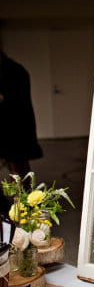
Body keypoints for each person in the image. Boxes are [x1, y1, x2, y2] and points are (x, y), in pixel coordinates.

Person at [0, 50, 42, 214]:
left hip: (13, 127)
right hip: (16, 126)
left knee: (17, 167)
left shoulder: (13, 71)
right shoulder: (16, 69)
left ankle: (22, 202)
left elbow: (9, 100)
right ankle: (26, 200)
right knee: (20, 166)